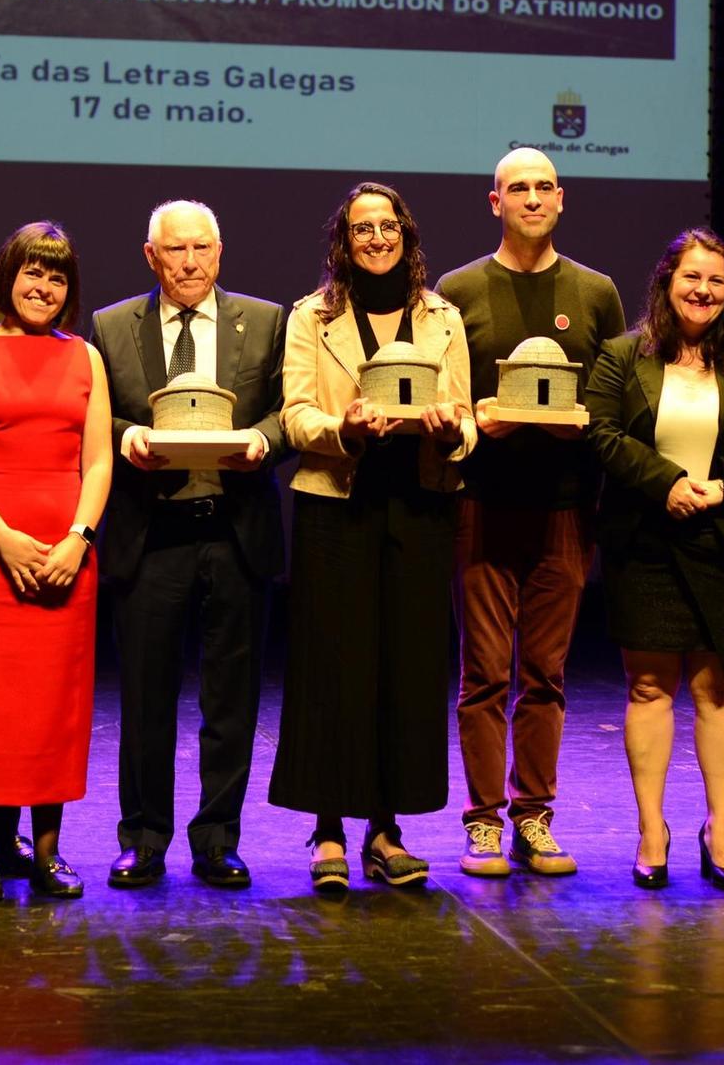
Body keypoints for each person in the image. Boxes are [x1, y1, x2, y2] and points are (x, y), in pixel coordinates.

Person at [269, 181, 475, 891]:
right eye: (364, 229)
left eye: (389, 227)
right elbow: (295, 415)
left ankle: (385, 830)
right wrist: (343, 430)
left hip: (420, 504)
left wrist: (453, 432)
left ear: (407, 236)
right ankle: (327, 828)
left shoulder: (442, 317)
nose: (378, 238)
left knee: (408, 669)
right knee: (334, 667)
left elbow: (469, 418)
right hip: (337, 503)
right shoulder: (311, 317)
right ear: (345, 241)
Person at [436, 148, 626, 879]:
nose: (533, 198)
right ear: (495, 202)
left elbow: (610, 396)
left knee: (544, 674)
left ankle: (534, 816)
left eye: (545, 186)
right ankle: (482, 822)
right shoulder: (457, 290)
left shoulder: (595, 291)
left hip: (565, 510)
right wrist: (480, 418)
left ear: (562, 198)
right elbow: (448, 402)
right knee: (484, 673)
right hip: (482, 505)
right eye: (519, 188)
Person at [587, 228, 724, 894]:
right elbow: (601, 431)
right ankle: (653, 830)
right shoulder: (623, 355)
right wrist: (665, 482)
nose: (702, 291)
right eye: (691, 278)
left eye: (715, 281)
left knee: (721, 691)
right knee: (648, 688)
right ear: (667, 282)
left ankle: (720, 830)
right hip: (646, 543)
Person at [93, 200, 287, 891]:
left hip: (234, 530)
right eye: (174, 250)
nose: (189, 262)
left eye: (201, 248)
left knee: (231, 701)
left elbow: (286, 408)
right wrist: (125, 436)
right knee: (145, 698)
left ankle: (217, 839)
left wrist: (267, 439)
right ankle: (143, 839)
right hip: (152, 533)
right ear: (152, 257)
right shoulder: (113, 327)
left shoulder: (264, 321)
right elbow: (96, 411)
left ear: (220, 251)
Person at [0, 222, 112, 901]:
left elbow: (97, 460)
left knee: (52, 710)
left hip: (66, 560)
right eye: (33, 272)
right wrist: (3, 538)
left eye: (57, 276)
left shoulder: (85, 357)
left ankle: (49, 851)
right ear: (6, 278)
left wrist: (78, 539)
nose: (44, 287)